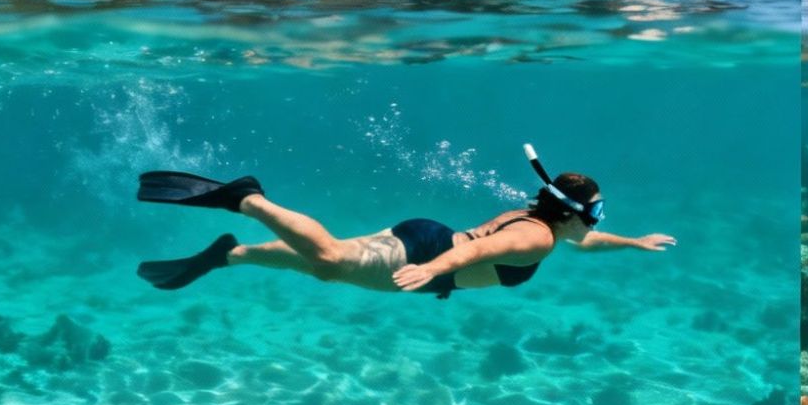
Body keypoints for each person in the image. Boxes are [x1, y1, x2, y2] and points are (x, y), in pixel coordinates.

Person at [133, 145, 673, 296]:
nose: (598, 220)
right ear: (572, 212)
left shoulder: (541, 222)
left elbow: (587, 242)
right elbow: (477, 252)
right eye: (596, 211)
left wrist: (633, 242)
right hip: (428, 255)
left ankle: (229, 254)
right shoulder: (536, 239)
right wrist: (432, 270)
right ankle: (248, 200)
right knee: (331, 260)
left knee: (329, 264)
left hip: (427, 236)